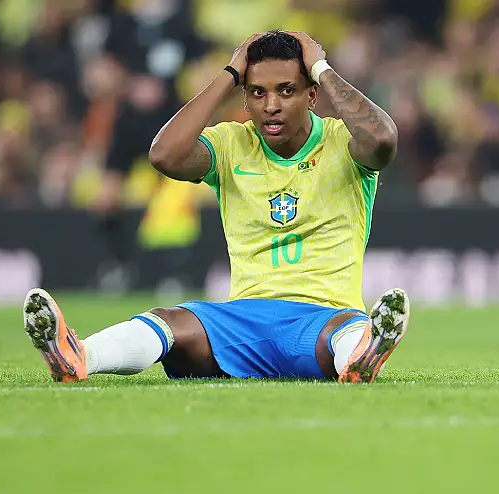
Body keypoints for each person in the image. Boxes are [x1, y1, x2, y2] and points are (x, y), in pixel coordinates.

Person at [23, 30, 410, 384]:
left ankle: (358, 357)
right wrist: (228, 74)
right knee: (169, 320)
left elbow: (382, 138)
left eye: (286, 91)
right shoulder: (230, 144)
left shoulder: (345, 142)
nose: (271, 105)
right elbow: (164, 156)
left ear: (311, 94)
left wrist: (322, 68)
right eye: (257, 92)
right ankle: (79, 356)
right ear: (245, 97)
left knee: (346, 330)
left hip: (322, 316)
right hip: (241, 322)